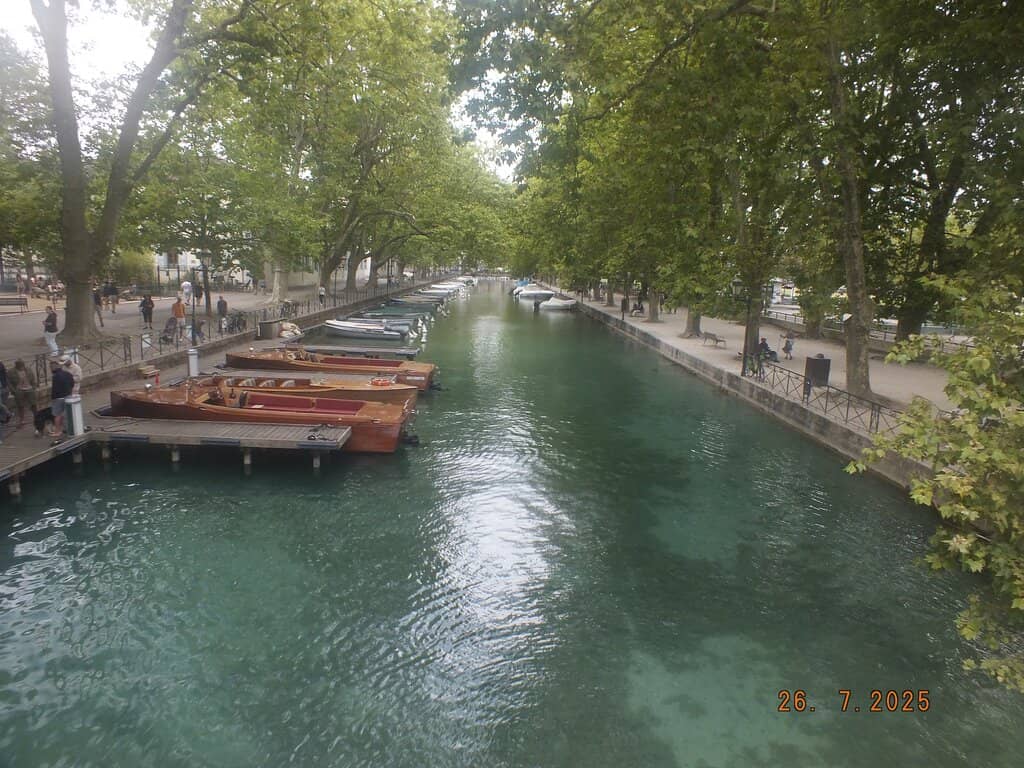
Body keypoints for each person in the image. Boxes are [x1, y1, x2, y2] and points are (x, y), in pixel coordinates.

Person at [49, 357, 74, 437]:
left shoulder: (55, 376)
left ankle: (57, 431)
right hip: (68, 396)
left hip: (58, 398)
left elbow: (55, 389)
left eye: (51, 367)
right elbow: (72, 383)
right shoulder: (68, 374)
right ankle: (68, 428)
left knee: (57, 415)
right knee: (67, 414)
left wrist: (53, 398)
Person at [9, 359, 38, 430]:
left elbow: (33, 378)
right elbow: (9, 383)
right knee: (20, 406)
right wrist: (13, 391)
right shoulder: (11, 372)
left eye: (22, 365)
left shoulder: (28, 369)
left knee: (33, 404)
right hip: (19, 390)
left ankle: (37, 417)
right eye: (20, 366)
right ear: (16, 365)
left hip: (29, 388)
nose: (22, 367)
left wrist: (33, 387)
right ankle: (22, 420)